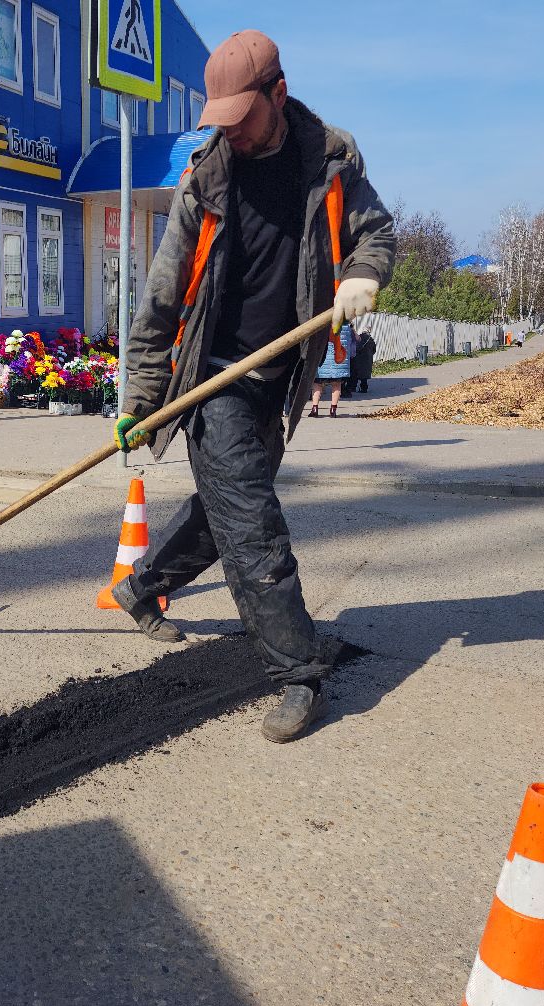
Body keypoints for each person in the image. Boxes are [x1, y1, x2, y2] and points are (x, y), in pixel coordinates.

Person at [106, 29, 394, 744]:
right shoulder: (205, 181)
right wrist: (141, 398)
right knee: (253, 527)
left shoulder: (330, 160)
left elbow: (376, 234)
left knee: (226, 515)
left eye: (242, 116)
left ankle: (141, 587)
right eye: (221, 119)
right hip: (213, 380)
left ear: (279, 94)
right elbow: (161, 298)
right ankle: (299, 672)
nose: (230, 131)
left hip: (279, 377)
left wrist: (363, 274)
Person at [308, 324, 354, 416]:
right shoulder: (345, 324)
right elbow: (348, 343)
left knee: (317, 384)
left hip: (322, 358)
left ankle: (315, 408)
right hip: (338, 359)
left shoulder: (322, 321)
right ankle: (333, 410)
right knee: (336, 384)